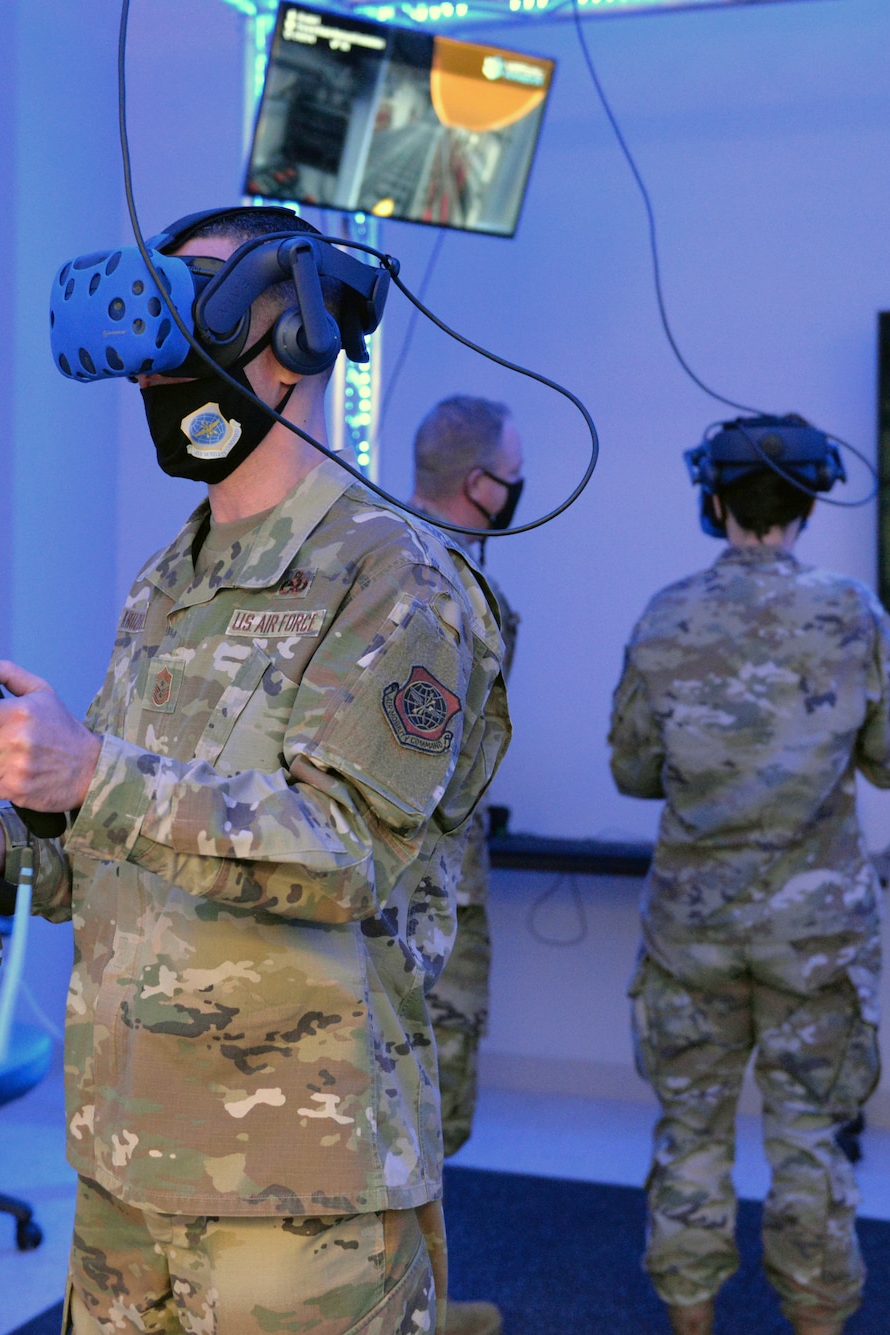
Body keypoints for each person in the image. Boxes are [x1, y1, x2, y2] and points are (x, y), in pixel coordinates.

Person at [0, 207, 511, 1335]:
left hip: (295, 1189)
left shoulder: (396, 577)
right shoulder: (169, 576)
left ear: (305, 325)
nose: (164, 362)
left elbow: (347, 857)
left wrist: (87, 775)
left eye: (195, 310)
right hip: (129, 1159)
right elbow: (118, 858)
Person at [607, 424, 890, 1335]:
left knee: (690, 1137)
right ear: (807, 504)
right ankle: (819, 1321)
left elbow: (632, 772)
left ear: (713, 501)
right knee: (808, 1141)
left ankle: (691, 1320)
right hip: (816, 936)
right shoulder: (854, 613)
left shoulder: (665, 614)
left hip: (690, 932)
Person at [405, 396, 523, 1335]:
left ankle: (420, 1304)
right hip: (428, 897)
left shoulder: (362, 552)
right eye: (515, 470)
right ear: (481, 484)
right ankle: (408, 1314)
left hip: (377, 892)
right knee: (424, 1114)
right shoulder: (453, 589)